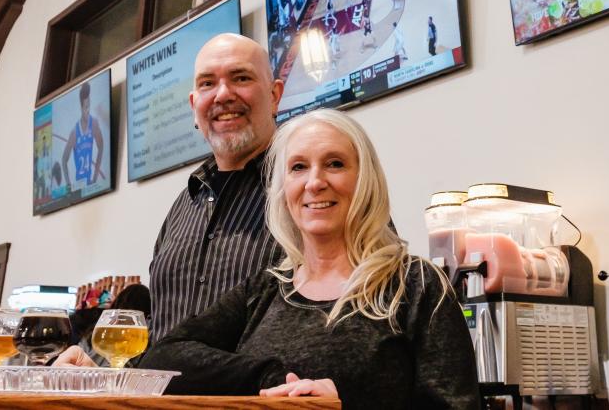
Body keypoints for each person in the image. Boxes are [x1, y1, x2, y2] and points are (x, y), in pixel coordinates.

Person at [139, 109, 479, 409]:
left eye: (335, 164)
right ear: (283, 189)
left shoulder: (416, 285)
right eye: (298, 167)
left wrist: (345, 402)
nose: (315, 182)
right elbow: (163, 357)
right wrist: (267, 377)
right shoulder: (266, 289)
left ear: (365, 180)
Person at [56, 34, 284, 365]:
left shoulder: (311, 190)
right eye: (208, 83)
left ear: (275, 95)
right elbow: (163, 340)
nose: (222, 94)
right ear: (194, 106)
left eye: (241, 78)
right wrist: (104, 374)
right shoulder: (184, 205)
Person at [61, 81, 105, 190]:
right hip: (79, 186)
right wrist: (68, 185)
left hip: (90, 183)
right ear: (81, 107)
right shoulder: (75, 132)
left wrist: (95, 177)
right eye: (86, 107)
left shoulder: (93, 123)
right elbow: (64, 160)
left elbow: (101, 146)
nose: (88, 110)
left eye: (89, 106)